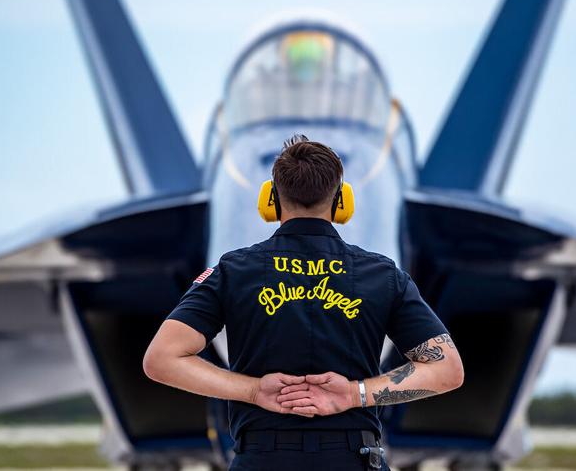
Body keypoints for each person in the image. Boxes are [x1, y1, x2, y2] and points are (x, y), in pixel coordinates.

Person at [143, 135, 464, 470]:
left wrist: (254, 391)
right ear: (343, 202)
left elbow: (162, 359)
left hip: (261, 460)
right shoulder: (383, 275)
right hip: (354, 459)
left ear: (270, 199)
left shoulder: (232, 271)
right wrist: (355, 394)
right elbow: (447, 369)